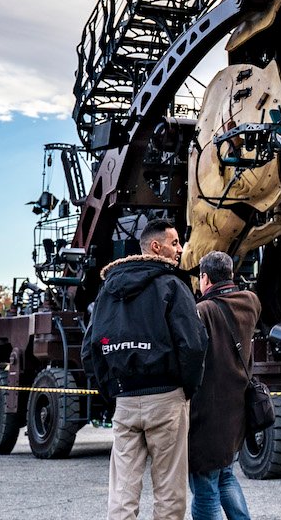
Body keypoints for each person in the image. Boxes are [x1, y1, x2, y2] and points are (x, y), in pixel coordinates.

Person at [82, 218, 208, 520]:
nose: (180, 249)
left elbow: (90, 350)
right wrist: (186, 389)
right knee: (169, 493)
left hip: (125, 400)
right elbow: (193, 345)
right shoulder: (172, 287)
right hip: (166, 398)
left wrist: (113, 390)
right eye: (175, 242)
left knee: (123, 491)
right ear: (156, 246)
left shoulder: (108, 291)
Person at [188, 251, 260, 520]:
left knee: (205, 487)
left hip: (207, 411)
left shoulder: (203, 310)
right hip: (236, 409)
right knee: (226, 476)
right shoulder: (250, 302)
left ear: (204, 278)